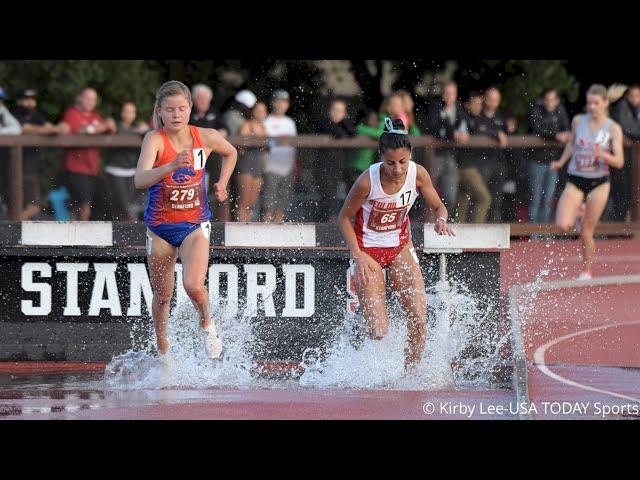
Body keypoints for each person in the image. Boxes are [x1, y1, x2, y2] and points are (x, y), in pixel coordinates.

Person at [338, 118, 454, 370]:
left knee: (419, 320)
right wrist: (357, 255)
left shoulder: (418, 173)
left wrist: (441, 220)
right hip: (368, 252)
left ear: (410, 154)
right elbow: (344, 218)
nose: (398, 169)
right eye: (391, 163)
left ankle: (410, 375)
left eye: (403, 161)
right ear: (381, 157)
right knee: (379, 331)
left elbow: (438, 206)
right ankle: (361, 355)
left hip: (400, 248)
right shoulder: (367, 182)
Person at [134, 80, 238, 362]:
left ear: (191, 109)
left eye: (181, 108)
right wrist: (168, 166)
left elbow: (231, 152)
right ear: (159, 112)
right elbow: (139, 180)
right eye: (169, 110)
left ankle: (207, 324)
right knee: (163, 295)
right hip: (160, 229)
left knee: (193, 285)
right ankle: (163, 350)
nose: (176, 114)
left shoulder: (205, 136)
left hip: (194, 225)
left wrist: (222, 182)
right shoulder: (154, 139)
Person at [551, 84, 624, 279]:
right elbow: (571, 144)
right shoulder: (578, 121)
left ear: (605, 104)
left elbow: (620, 161)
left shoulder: (612, 128)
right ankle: (578, 212)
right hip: (576, 178)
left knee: (586, 232)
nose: (592, 107)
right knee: (562, 225)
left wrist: (604, 155)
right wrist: (560, 162)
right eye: (589, 103)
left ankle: (586, 270)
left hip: (599, 182)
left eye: (596, 103)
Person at [58, 87, 116, 220]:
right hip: (75, 168)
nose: (90, 102)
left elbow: (109, 128)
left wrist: (108, 126)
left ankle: (79, 237)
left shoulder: (95, 116)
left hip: (93, 170)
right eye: (88, 98)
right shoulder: (72, 114)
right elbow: (82, 131)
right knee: (82, 206)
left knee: (96, 205)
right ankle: (77, 239)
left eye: (93, 99)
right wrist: (102, 127)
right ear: (80, 98)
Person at [13, 89, 63, 220]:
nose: (30, 103)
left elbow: (51, 127)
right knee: (25, 206)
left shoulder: (36, 116)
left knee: (31, 207)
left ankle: (12, 231)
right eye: (26, 99)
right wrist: (43, 130)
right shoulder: (14, 115)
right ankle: (9, 229)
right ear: (19, 101)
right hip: (16, 168)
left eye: (32, 99)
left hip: (32, 169)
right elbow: (22, 128)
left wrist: (49, 129)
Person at [527, 88, 571, 223]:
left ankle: (544, 233)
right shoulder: (536, 110)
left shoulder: (560, 111)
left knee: (548, 199)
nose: (549, 102)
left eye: (553, 99)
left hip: (553, 161)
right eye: (547, 99)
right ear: (543, 99)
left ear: (557, 100)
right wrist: (555, 135)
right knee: (535, 198)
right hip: (536, 161)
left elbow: (566, 129)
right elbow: (537, 129)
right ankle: (533, 234)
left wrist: (561, 134)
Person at [104, 102, 150, 220]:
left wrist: (146, 130)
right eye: (126, 111)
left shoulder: (139, 128)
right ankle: (126, 229)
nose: (129, 114)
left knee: (128, 205)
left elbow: (151, 135)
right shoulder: (115, 127)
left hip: (131, 171)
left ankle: (125, 230)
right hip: (115, 170)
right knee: (123, 205)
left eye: (132, 112)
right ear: (121, 113)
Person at [262, 89, 297, 223]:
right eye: (278, 101)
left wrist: (293, 165)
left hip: (287, 168)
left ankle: (279, 229)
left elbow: (293, 145)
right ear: (273, 103)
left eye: (284, 102)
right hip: (271, 168)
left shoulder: (290, 122)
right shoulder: (267, 120)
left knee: (283, 204)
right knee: (268, 203)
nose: (280, 104)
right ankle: (265, 229)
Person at [236, 100, 268, 222]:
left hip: (258, 164)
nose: (261, 113)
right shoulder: (246, 124)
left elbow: (266, 148)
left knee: (252, 201)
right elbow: (243, 143)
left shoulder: (264, 127)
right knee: (244, 199)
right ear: (253, 112)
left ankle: (248, 224)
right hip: (247, 163)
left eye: (263, 111)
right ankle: (240, 226)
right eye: (258, 110)